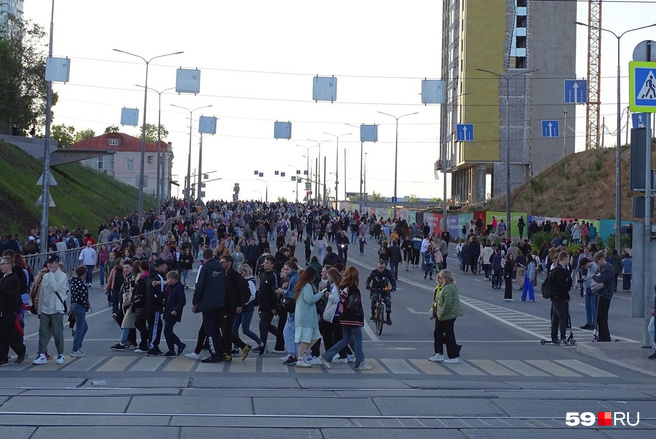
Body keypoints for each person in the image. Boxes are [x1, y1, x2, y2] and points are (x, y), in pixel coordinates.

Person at [319, 266, 371, 370]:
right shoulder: (353, 289)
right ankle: (360, 362)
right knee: (358, 340)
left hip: (343, 317)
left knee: (345, 339)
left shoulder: (343, 287)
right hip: (353, 318)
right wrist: (359, 315)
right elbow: (354, 305)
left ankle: (326, 356)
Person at [191, 248, 226, 363]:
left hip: (208, 303)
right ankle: (220, 352)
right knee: (216, 328)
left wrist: (195, 302)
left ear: (204, 257)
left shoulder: (205, 267)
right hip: (219, 302)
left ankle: (214, 354)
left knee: (209, 329)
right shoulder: (219, 266)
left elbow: (200, 286)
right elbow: (224, 283)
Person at [32, 254, 67, 365]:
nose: (49, 265)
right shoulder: (46, 276)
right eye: (48, 263)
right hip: (45, 309)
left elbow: (55, 287)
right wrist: (39, 310)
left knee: (57, 333)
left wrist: (51, 274)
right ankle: (41, 354)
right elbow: (42, 294)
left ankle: (60, 354)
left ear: (57, 263)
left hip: (56, 308)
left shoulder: (62, 276)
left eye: (52, 263)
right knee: (43, 331)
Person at [428, 269, 463, 363]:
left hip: (447, 315)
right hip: (444, 314)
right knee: (439, 333)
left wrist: (441, 313)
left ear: (446, 278)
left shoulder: (448, 288)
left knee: (447, 334)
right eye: (438, 277)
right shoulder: (444, 287)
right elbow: (437, 301)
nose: (439, 279)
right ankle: (440, 353)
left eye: (441, 278)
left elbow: (448, 303)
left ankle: (453, 356)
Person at [292, 266, 323, 368]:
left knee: (315, 336)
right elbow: (310, 299)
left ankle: (303, 354)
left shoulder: (302, 284)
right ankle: (300, 359)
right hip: (306, 317)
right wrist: (320, 294)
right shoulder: (307, 285)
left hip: (305, 316)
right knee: (305, 339)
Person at [0, 256, 26, 365]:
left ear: (9, 265)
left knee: (9, 334)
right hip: (2, 310)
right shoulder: (2, 279)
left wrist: (2, 290)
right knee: (1, 335)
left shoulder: (14, 278)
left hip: (10, 310)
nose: (1, 266)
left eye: (3, 264)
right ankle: (3, 357)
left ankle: (20, 350)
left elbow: (13, 295)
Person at [234, 263, 264, 356]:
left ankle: (261, 343)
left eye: (241, 271)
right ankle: (236, 347)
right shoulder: (242, 280)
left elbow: (252, 295)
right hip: (240, 307)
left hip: (247, 308)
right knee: (234, 328)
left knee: (245, 329)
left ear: (245, 272)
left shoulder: (250, 281)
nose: (239, 273)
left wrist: (243, 303)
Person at [162, 270, 186, 358]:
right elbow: (165, 295)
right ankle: (171, 350)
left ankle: (179, 345)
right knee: (167, 331)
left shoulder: (178, 287)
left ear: (174, 279)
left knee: (167, 330)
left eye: (168, 278)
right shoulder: (168, 287)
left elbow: (182, 300)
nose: (167, 280)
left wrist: (176, 310)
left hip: (173, 312)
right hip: (168, 310)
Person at [550, 251, 572, 346]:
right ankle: (563, 337)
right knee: (563, 317)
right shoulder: (559, 270)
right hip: (558, 296)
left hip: (555, 296)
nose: (569, 261)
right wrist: (567, 296)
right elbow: (562, 285)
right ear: (564, 259)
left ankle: (554, 337)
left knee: (555, 317)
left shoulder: (557, 269)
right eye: (568, 258)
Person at [593, 250, 615, 342]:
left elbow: (601, 278)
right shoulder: (600, 268)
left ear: (602, 259)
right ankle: (601, 336)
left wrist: (594, 277)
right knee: (599, 317)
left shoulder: (609, 267)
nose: (597, 264)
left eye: (598, 262)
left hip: (606, 294)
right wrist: (596, 277)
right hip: (600, 293)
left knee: (603, 317)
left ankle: (605, 338)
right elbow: (598, 275)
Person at [365, 260, 396, 325]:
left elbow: (392, 280)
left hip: (385, 290)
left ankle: (388, 317)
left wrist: (393, 287)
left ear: (385, 267)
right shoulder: (374, 272)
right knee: (374, 300)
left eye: (382, 268)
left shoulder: (388, 272)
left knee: (388, 302)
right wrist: (367, 285)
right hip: (375, 289)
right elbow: (368, 279)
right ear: (377, 267)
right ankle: (373, 314)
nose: (381, 269)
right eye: (380, 267)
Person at [69, 265, 90, 357]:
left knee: (84, 327)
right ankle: (75, 349)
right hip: (80, 307)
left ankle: (77, 346)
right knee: (80, 328)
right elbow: (84, 298)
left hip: (73, 305)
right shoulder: (82, 285)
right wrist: (87, 307)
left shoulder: (74, 282)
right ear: (84, 274)